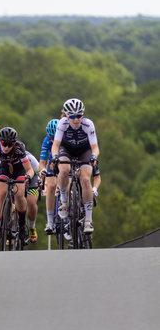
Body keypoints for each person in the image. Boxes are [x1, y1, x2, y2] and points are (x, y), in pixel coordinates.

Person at [49, 98, 99, 234]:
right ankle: (64, 201)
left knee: (85, 180)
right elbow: (56, 145)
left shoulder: (88, 124)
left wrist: (94, 156)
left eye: (79, 116)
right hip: (67, 149)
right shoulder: (63, 123)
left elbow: (95, 147)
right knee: (64, 170)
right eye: (72, 117)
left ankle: (88, 220)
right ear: (66, 116)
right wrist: (55, 157)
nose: (76, 120)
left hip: (84, 150)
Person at [0, 127, 34, 243]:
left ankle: (22, 227)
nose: (6, 147)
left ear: (14, 144)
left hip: (19, 171)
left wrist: (28, 177)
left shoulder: (19, 149)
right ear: (0, 141)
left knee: (19, 195)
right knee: (1, 194)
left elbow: (30, 170)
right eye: (4, 144)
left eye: (10, 145)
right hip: (4, 169)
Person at [39, 119, 60, 235]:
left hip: (65, 161)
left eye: (54, 136)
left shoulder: (65, 138)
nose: (52, 139)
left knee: (67, 186)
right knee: (51, 186)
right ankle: (50, 221)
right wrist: (42, 169)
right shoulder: (47, 140)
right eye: (50, 136)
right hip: (52, 163)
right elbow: (42, 162)